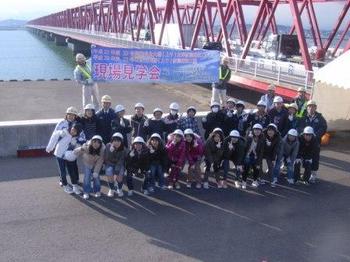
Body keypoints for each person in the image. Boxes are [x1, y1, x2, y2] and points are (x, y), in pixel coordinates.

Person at [46, 123, 83, 194]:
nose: (73, 131)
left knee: (71, 171)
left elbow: (77, 149)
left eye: (75, 131)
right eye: (73, 129)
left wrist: (74, 153)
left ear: (77, 133)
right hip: (59, 155)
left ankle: (75, 185)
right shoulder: (63, 132)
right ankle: (65, 185)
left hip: (68, 156)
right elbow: (54, 138)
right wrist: (50, 148)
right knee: (62, 172)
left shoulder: (76, 139)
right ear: (71, 127)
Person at [298, 100, 327, 183]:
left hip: (315, 142)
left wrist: (315, 135)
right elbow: (300, 127)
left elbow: (323, 128)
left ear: (316, 107)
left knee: (314, 158)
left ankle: (313, 175)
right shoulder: (303, 118)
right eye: (309, 106)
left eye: (313, 106)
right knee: (303, 157)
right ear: (307, 108)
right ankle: (304, 173)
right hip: (304, 142)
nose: (311, 108)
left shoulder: (320, 118)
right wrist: (303, 135)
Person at [74, 135, 105, 200]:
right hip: (87, 163)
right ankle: (86, 192)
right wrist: (80, 148)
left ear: (101, 143)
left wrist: (96, 171)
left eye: (98, 142)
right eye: (94, 142)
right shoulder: (87, 147)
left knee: (96, 178)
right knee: (87, 177)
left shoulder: (102, 150)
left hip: (96, 164)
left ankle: (97, 190)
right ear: (91, 142)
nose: (96, 144)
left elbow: (100, 162)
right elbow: (75, 152)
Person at [104, 132, 128, 197]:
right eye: (114, 141)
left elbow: (121, 161)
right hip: (110, 163)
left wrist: (116, 173)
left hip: (119, 164)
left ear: (121, 142)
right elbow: (106, 158)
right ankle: (111, 189)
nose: (116, 143)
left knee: (119, 176)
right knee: (109, 172)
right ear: (112, 141)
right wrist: (110, 151)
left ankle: (119, 188)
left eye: (118, 141)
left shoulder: (124, 149)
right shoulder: (108, 146)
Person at [242, 124, 265, 189]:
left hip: (255, 156)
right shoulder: (248, 136)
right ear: (253, 130)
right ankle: (244, 182)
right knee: (246, 168)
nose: (257, 131)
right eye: (255, 130)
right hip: (247, 155)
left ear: (261, 131)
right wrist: (248, 138)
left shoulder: (262, 139)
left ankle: (255, 181)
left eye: (259, 130)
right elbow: (244, 147)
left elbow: (261, 152)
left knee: (256, 168)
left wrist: (259, 162)